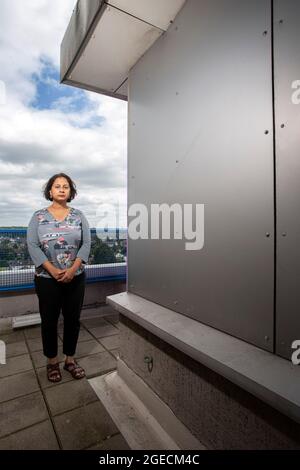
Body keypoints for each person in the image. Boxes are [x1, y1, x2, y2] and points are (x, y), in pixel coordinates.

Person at [26, 173, 91, 382]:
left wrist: (73, 269)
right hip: (46, 279)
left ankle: (69, 360)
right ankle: (52, 362)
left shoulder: (79, 216)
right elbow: (32, 245)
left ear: (71, 191)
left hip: (76, 277)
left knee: (73, 320)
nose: (62, 189)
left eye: (66, 186)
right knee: (49, 322)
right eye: (57, 186)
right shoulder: (38, 217)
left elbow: (86, 244)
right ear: (50, 191)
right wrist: (52, 270)